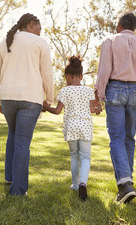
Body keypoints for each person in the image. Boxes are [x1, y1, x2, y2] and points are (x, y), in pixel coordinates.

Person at [94, 11, 136, 203]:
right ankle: (128, 181)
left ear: (120, 25)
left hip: (115, 89)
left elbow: (104, 70)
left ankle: (125, 185)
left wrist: (99, 96)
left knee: (117, 137)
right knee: (129, 137)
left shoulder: (110, 41)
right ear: (133, 27)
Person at [0, 13, 54, 196]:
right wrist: (49, 98)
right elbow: (47, 73)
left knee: (13, 134)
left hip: (8, 96)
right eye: (39, 28)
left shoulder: (4, 42)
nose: (39, 32)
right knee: (22, 141)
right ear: (31, 24)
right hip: (30, 98)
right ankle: (18, 191)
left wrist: (0, 99)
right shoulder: (40, 43)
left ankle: (10, 177)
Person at [42, 56, 102, 201]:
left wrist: (46, 107)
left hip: (71, 127)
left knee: (74, 157)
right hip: (85, 127)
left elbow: (57, 111)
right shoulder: (88, 91)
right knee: (86, 157)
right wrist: (99, 107)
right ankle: (83, 183)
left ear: (67, 76)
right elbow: (93, 110)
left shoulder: (64, 91)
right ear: (81, 76)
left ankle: (75, 185)